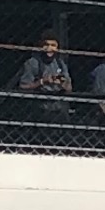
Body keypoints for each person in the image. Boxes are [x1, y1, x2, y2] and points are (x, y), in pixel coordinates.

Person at [11, 23, 77, 152]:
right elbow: (23, 86)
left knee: (63, 144)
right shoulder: (32, 63)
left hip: (60, 110)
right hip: (41, 110)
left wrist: (61, 83)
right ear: (40, 46)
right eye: (46, 45)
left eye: (53, 45)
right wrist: (42, 82)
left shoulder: (60, 63)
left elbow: (69, 87)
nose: (49, 48)